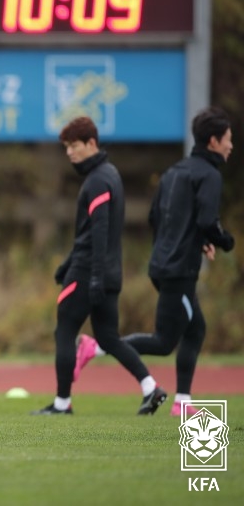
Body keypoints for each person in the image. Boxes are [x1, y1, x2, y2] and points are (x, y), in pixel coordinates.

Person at [73, 107, 235, 417]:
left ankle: (182, 402)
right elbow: (206, 220)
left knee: (195, 329)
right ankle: (99, 348)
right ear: (213, 141)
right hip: (180, 270)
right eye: (228, 139)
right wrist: (224, 241)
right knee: (164, 341)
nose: (231, 145)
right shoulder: (210, 175)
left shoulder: (174, 172)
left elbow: (154, 218)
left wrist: (188, 242)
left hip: (161, 265)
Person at [32, 116, 167, 416]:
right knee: (108, 338)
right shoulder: (109, 174)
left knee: (64, 331)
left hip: (90, 272)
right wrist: (68, 264)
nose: (69, 152)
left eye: (74, 145)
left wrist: (90, 276)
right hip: (106, 271)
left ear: (92, 143)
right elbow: (92, 232)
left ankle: (62, 404)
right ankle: (150, 387)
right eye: (66, 147)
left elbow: (100, 231)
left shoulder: (97, 180)